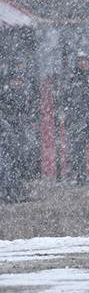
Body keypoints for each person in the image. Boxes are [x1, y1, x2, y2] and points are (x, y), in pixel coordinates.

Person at [59, 52, 89, 184]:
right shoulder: (72, 80)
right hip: (77, 120)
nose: (83, 63)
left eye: (85, 60)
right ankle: (80, 176)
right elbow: (64, 100)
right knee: (77, 149)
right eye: (80, 61)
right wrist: (67, 116)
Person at [0, 57, 38, 202]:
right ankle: (7, 191)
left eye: (19, 81)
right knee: (7, 163)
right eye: (14, 80)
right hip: (7, 133)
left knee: (18, 162)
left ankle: (15, 190)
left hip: (18, 134)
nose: (17, 83)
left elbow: (28, 113)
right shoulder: (6, 96)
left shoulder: (24, 95)